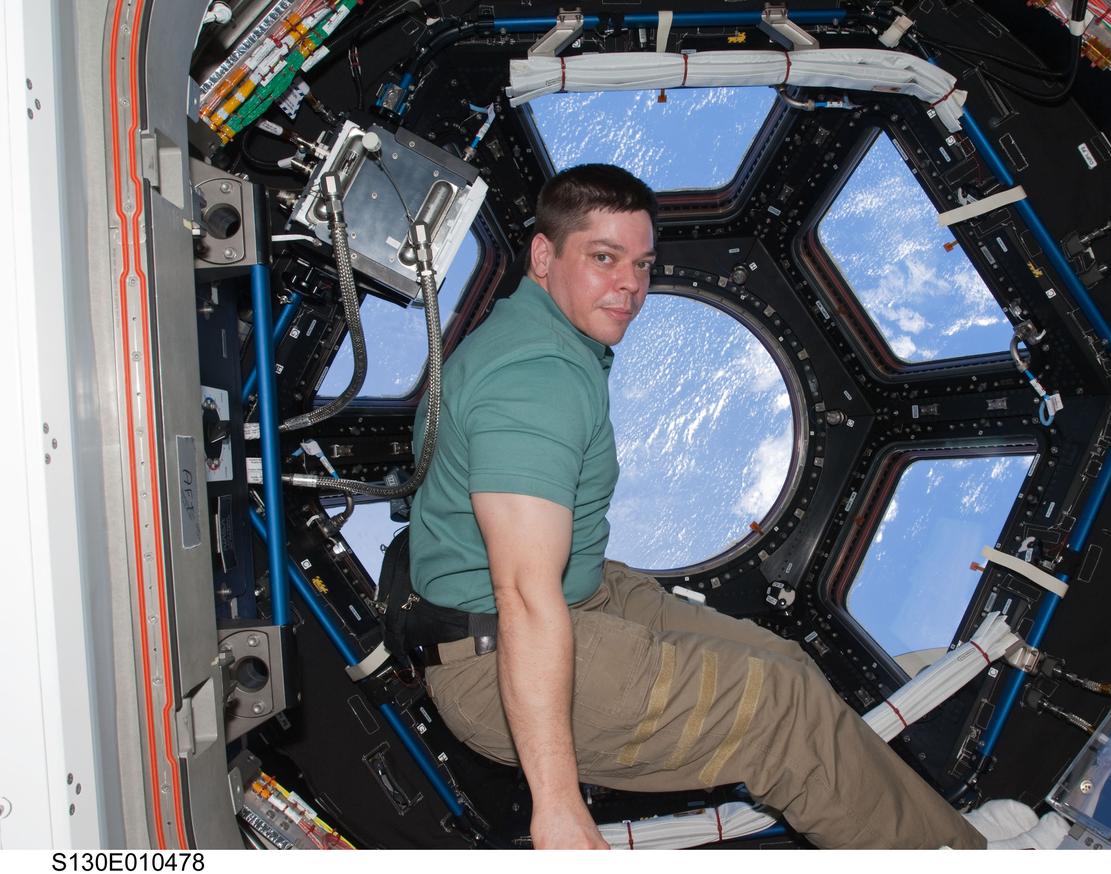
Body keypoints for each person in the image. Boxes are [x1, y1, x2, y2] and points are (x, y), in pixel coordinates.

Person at [409, 163, 987, 849]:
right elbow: (525, 594)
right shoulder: (535, 381)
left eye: (643, 265)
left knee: (790, 666)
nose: (630, 285)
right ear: (543, 255)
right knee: (782, 715)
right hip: (497, 654)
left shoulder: (544, 336)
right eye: (604, 258)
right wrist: (558, 806)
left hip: (574, 597)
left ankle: (928, 833)